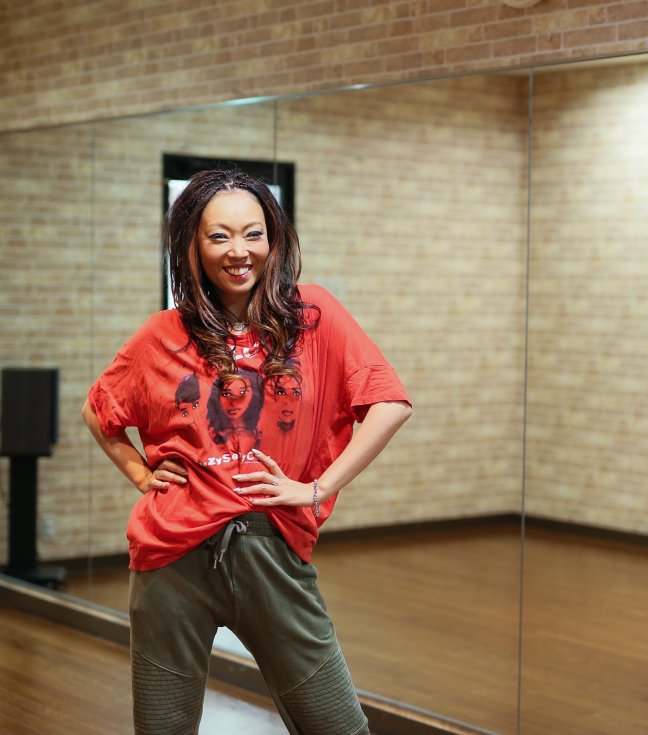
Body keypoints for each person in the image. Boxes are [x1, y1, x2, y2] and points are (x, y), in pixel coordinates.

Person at [82, 168, 412, 735]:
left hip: (273, 549)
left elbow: (390, 403)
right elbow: (99, 411)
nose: (239, 251)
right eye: (219, 236)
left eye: (253, 233)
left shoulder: (313, 316)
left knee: (338, 726)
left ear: (273, 239)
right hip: (171, 561)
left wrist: (317, 489)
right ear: (192, 245)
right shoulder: (162, 333)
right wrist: (140, 474)